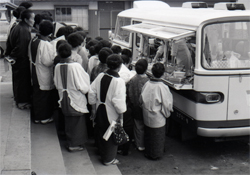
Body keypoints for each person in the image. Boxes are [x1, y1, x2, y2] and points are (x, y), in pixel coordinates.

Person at [88, 54, 127, 165]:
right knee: (111, 135)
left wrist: (93, 108)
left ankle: (102, 153)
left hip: (100, 108)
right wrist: (121, 117)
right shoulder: (119, 81)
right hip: (111, 112)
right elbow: (118, 102)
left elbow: (91, 91)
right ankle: (109, 159)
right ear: (120, 66)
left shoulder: (100, 75)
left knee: (101, 132)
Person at [54, 43, 90, 152]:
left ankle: (71, 141)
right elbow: (83, 84)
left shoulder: (57, 66)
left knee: (69, 120)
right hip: (75, 96)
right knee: (77, 122)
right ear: (71, 53)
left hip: (63, 96)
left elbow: (56, 82)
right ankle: (74, 144)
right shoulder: (76, 66)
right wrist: (85, 90)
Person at [140, 63, 173, 160]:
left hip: (146, 114)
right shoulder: (163, 87)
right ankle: (156, 154)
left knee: (149, 135)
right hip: (158, 115)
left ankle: (148, 152)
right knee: (157, 136)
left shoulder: (147, 84)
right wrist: (167, 113)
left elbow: (141, 99)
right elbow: (167, 104)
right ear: (163, 73)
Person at [5, 9, 35, 109]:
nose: (34, 21)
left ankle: (19, 99)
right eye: (32, 19)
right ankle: (22, 102)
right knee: (22, 81)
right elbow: (21, 48)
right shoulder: (23, 30)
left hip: (17, 59)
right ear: (26, 19)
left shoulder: (18, 27)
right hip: (21, 59)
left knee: (18, 80)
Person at [29, 20, 55, 124]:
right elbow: (47, 62)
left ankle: (37, 117)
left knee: (37, 94)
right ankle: (43, 117)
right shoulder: (46, 44)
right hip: (43, 72)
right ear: (50, 32)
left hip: (35, 69)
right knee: (43, 96)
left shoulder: (34, 39)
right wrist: (54, 57)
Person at [127, 59, 149, 151]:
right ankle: (144, 143)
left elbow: (130, 93)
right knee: (145, 126)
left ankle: (139, 144)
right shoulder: (148, 81)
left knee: (138, 126)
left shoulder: (132, 80)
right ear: (146, 69)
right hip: (146, 107)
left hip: (135, 106)